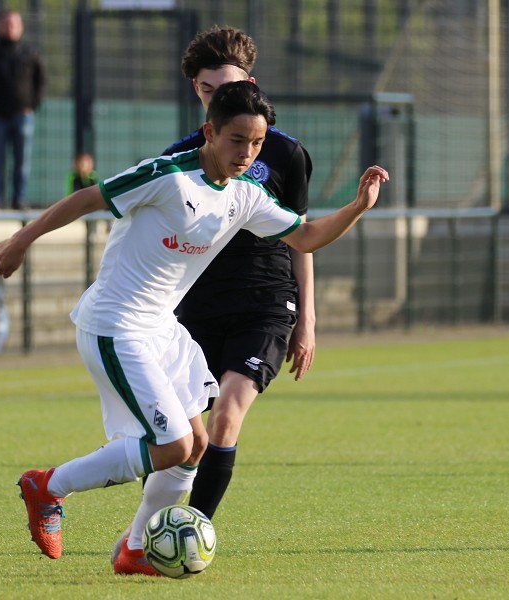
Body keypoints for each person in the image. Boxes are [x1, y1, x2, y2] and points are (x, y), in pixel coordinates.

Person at [0, 81, 388, 565]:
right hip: (115, 325)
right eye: (237, 139)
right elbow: (89, 198)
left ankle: (135, 549)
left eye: (257, 142)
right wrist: (21, 240)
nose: (247, 152)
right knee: (174, 445)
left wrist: (356, 208)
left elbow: (304, 237)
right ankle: (47, 487)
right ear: (210, 132)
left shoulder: (245, 196)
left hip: (162, 329)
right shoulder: (168, 176)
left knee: (197, 445)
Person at [112, 25, 317, 575]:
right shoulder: (181, 155)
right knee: (182, 437)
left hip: (266, 301)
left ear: (249, 83)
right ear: (199, 96)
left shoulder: (287, 154)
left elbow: (303, 237)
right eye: (205, 90)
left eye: (225, 86)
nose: (216, 96)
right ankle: (140, 537)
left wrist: (308, 319)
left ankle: (187, 537)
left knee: (227, 417)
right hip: (196, 306)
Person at [0, 10, 46, 210]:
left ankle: (19, 199)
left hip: (23, 115)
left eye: (14, 24)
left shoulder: (30, 52)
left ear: (21, 27)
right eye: (6, 23)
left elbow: (41, 81)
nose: (10, 27)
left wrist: (32, 105)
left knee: (22, 161)